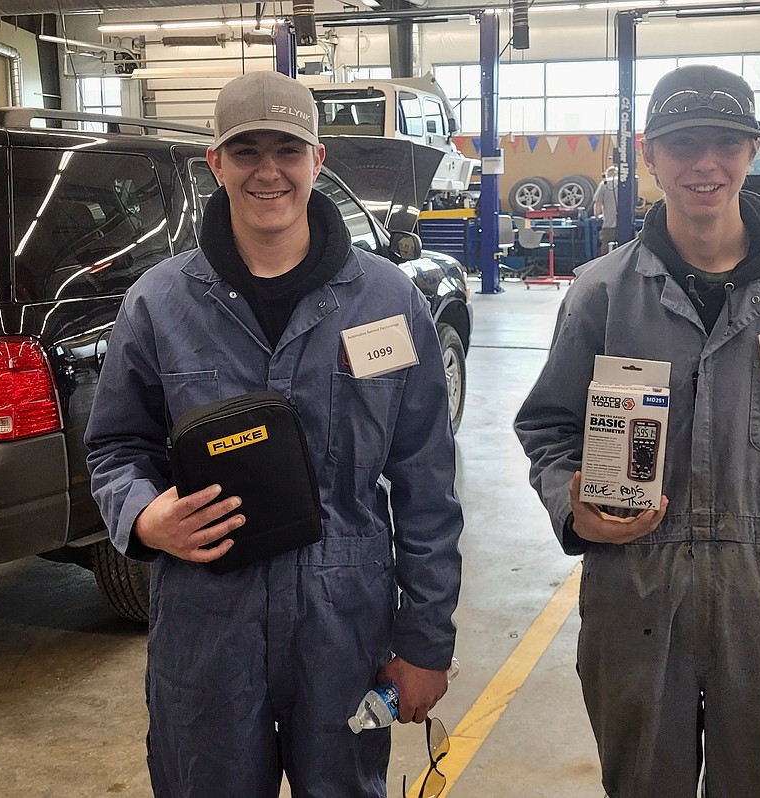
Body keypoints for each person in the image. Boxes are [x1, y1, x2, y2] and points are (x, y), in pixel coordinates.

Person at [85, 70, 463, 798]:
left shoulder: (387, 301)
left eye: (287, 150)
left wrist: (425, 642)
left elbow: (426, 484)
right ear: (215, 164)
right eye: (246, 150)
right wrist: (143, 514)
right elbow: (115, 448)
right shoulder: (158, 305)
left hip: (344, 625)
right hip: (207, 621)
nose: (268, 170)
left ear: (318, 161)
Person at [514, 64, 760, 797]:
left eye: (724, 142)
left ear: (752, 154)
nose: (704, 163)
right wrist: (572, 502)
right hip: (636, 602)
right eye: (683, 144)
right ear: (650, 155)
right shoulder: (602, 295)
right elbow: (549, 429)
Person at [593, 165, 619, 256]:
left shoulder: (604, 184)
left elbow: (598, 203)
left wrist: (597, 216)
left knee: (606, 247)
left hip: (610, 223)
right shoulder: (626, 183)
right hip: (625, 224)